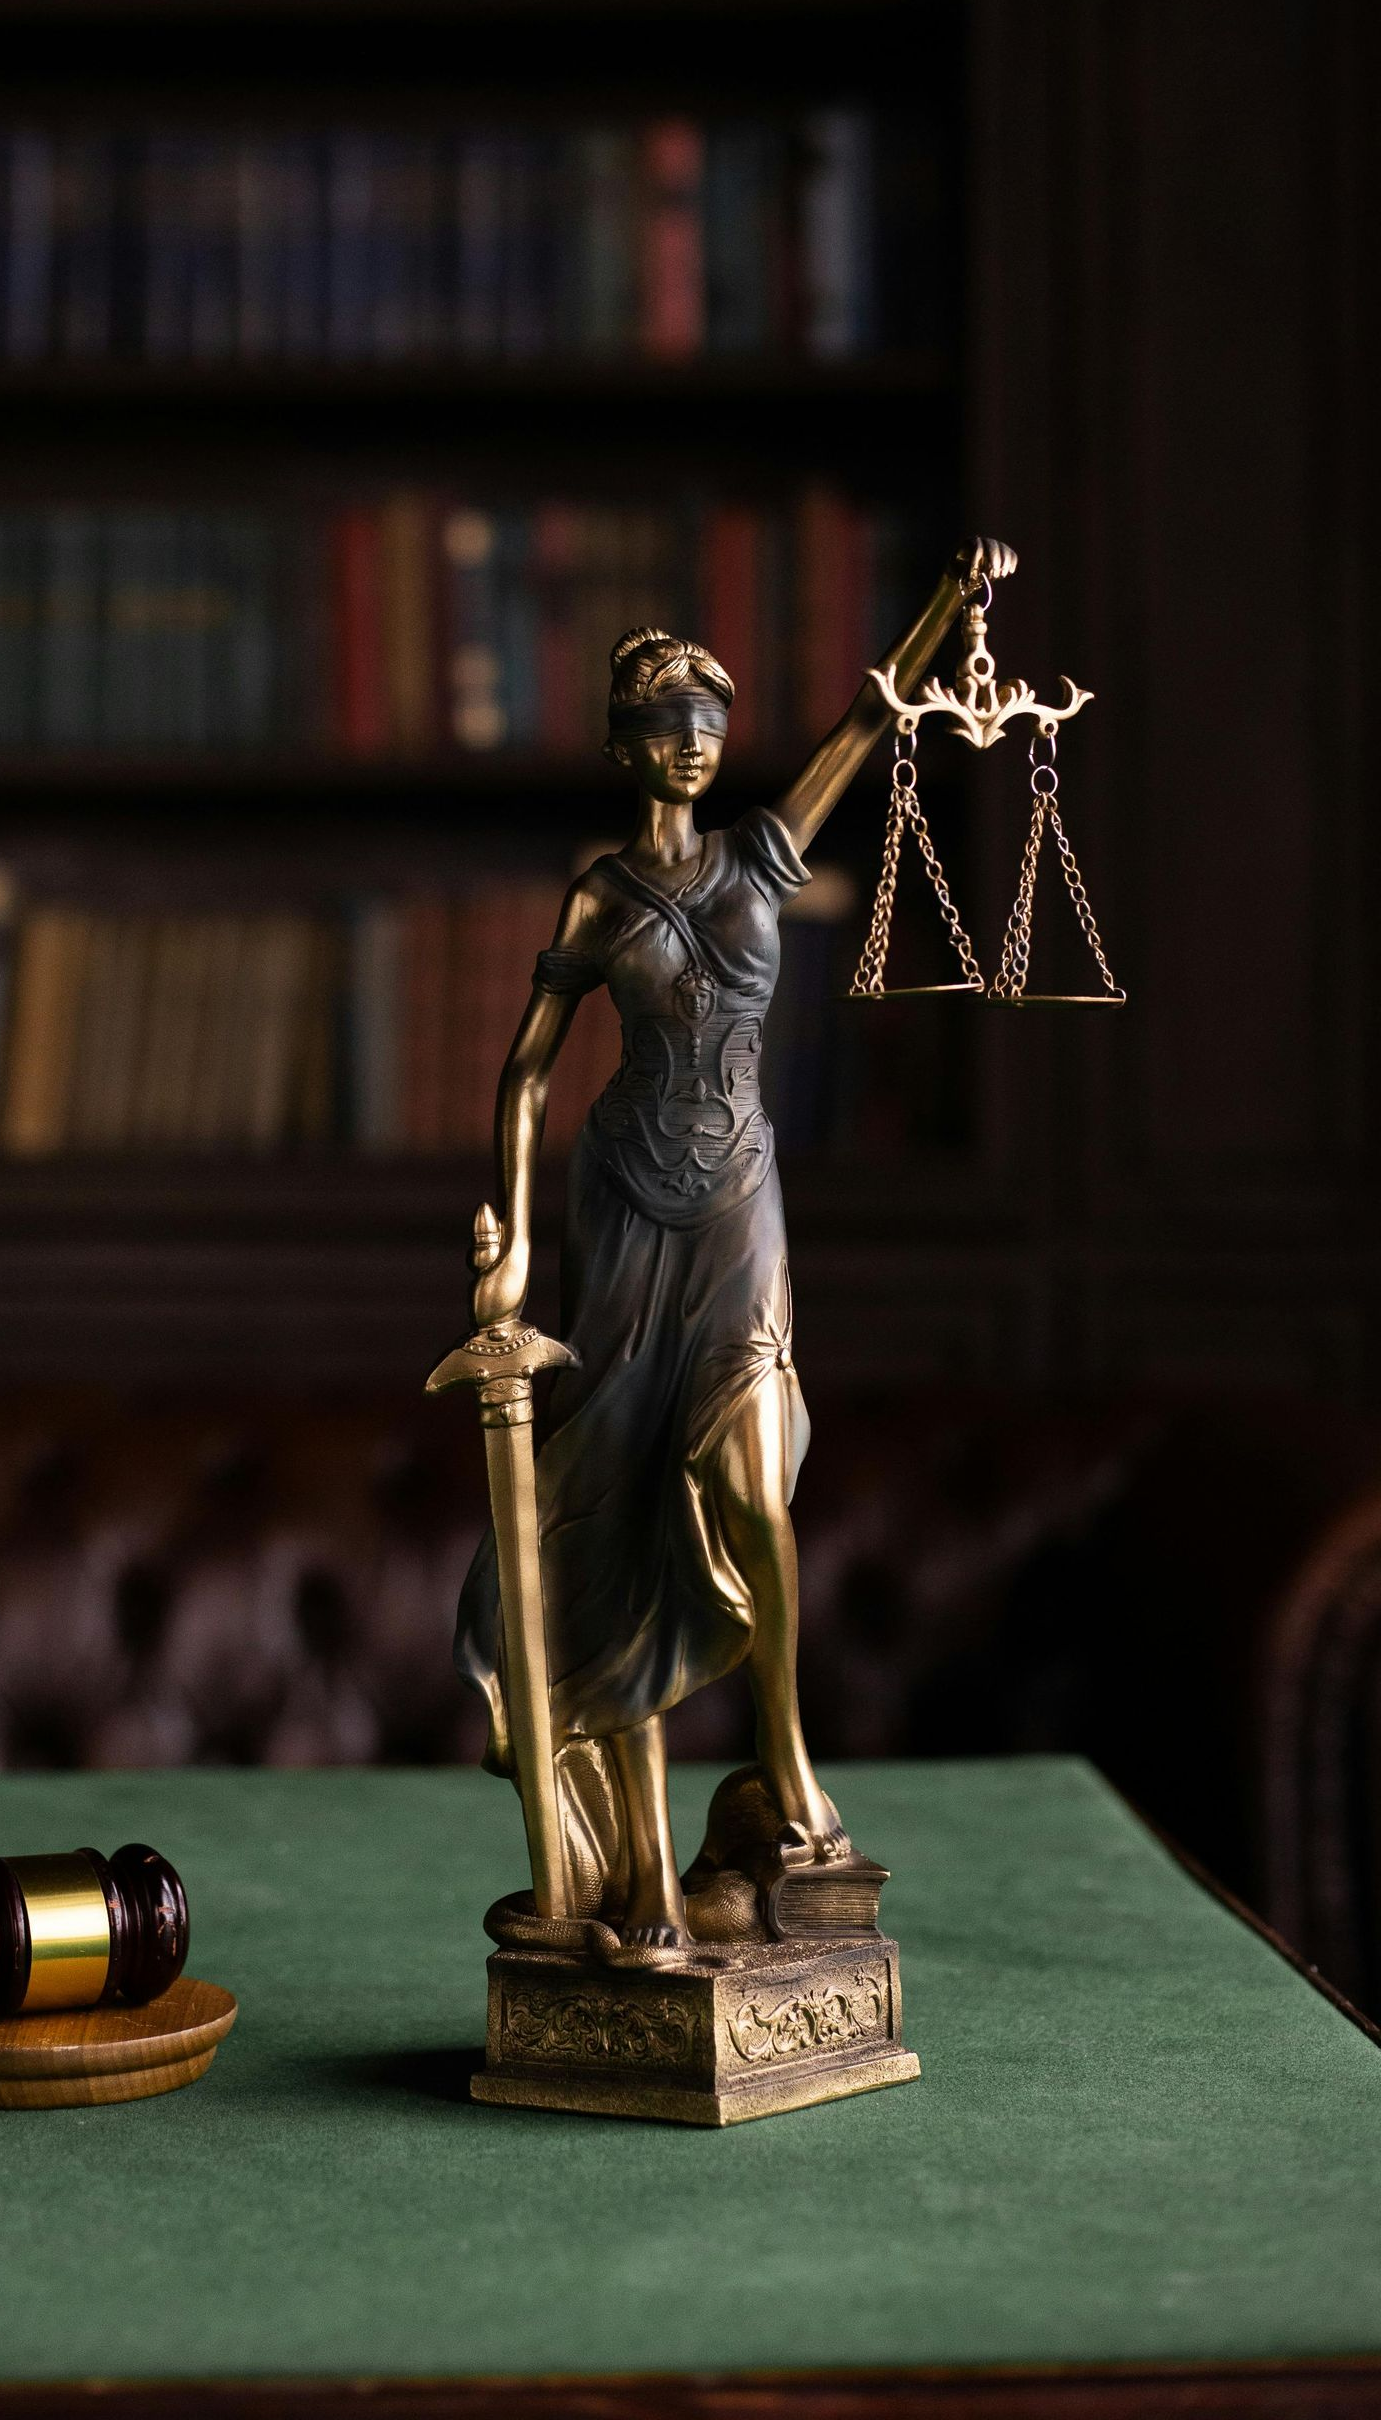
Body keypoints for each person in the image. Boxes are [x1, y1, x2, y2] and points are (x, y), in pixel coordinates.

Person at [455, 535, 1017, 1951]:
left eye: (708, 730)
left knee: (754, 1485)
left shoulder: (766, 850)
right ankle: (634, 1864)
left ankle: (790, 1759)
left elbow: (874, 711)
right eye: (664, 732)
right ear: (621, 748)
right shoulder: (598, 897)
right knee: (631, 1506)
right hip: (621, 1207)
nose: (693, 751)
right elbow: (528, 1070)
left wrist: (958, 601)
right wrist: (510, 1237)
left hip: (738, 1204)